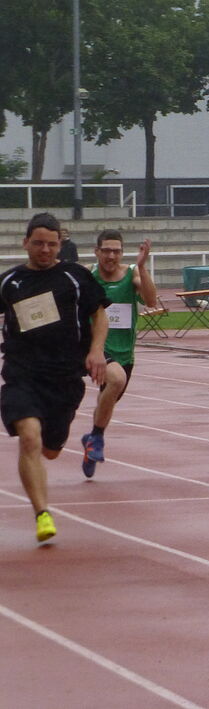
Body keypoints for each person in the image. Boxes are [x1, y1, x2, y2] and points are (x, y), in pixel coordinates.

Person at [1, 213, 108, 542]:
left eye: (51, 244)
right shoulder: (10, 282)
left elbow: (99, 314)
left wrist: (96, 351)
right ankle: (42, 513)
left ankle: (53, 449)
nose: (45, 250)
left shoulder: (74, 277)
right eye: (38, 243)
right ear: (25, 243)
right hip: (21, 374)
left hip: (64, 378)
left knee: (49, 451)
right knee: (29, 438)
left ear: (60, 244)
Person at [79, 230, 159, 478]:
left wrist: (142, 267)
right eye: (106, 250)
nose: (111, 256)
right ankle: (97, 438)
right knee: (116, 380)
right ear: (97, 252)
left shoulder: (131, 274)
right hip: (94, 348)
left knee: (107, 401)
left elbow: (151, 301)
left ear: (122, 253)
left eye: (116, 251)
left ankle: (92, 440)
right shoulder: (88, 275)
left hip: (124, 353)